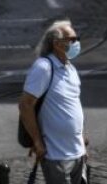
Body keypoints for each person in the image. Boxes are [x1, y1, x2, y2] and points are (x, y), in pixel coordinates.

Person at [19, 20, 89, 184]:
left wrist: (82, 139)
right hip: (55, 154)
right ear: (57, 44)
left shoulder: (70, 69)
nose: (76, 43)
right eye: (72, 39)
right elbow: (25, 105)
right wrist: (37, 141)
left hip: (77, 151)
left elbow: (73, 106)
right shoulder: (43, 67)